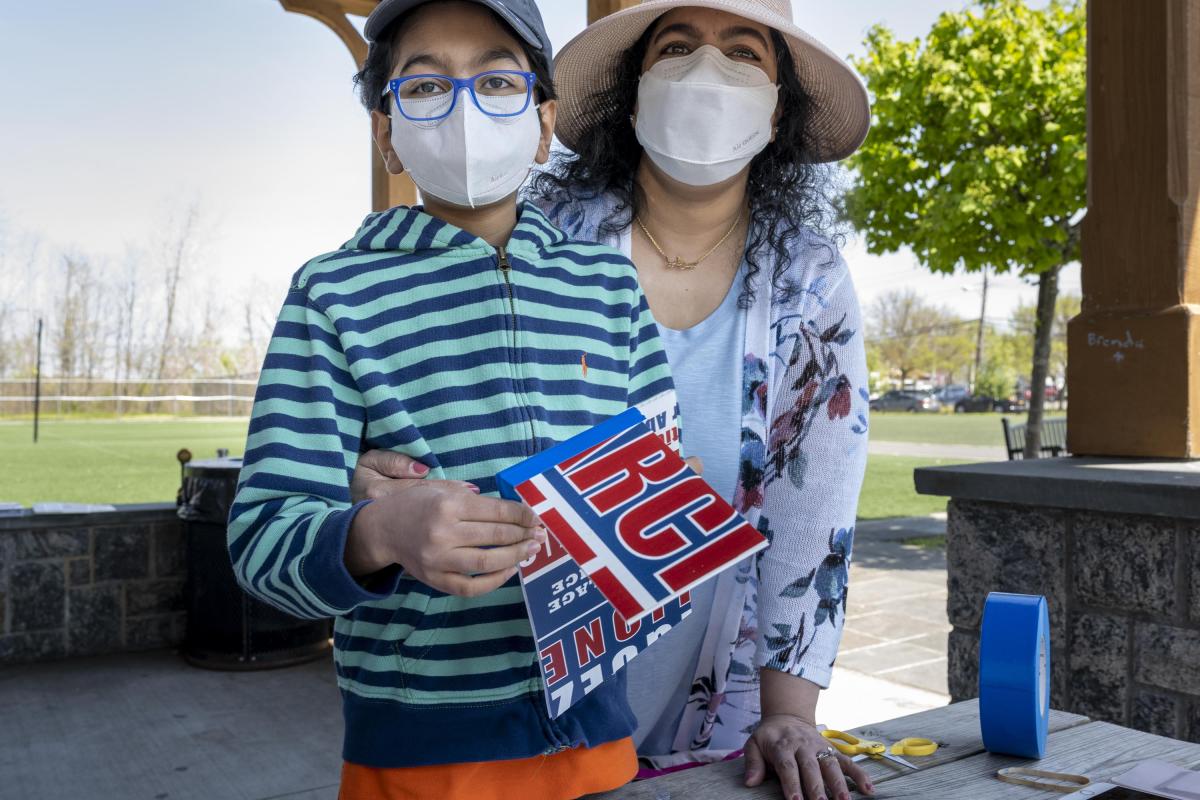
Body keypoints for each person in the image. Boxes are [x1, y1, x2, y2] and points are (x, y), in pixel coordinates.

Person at [351, 1, 874, 799]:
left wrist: (789, 711)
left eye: (743, 53)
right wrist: (357, 483)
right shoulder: (533, 237)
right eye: (676, 47)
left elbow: (815, 507)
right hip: (518, 703)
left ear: (778, 111)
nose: (708, 72)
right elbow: (420, 378)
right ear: (630, 98)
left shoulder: (810, 278)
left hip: (716, 687)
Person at [225, 1, 676, 798]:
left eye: (498, 79)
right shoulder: (335, 296)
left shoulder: (607, 287)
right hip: (423, 756)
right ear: (384, 130)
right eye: (425, 86)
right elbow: (262, 540)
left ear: (542, 123)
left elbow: (661, 481)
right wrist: (377, 533)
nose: (465, 108)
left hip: (601, 735)